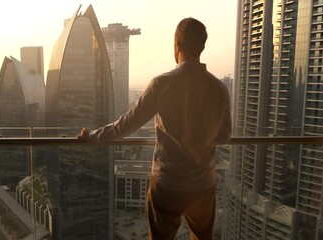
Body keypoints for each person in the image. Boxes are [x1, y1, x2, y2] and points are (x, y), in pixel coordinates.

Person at [77, 17, 231, 240]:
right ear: (202, 46)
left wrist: (92, 136)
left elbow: (126, 124)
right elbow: (224, 136)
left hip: (168, 183)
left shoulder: (162, 84)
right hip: (202, 184)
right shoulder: (219, 89)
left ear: (176, 45)